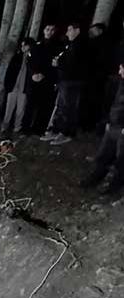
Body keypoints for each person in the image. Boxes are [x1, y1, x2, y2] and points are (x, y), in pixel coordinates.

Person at [80, 63, 124, 195]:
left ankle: (114, 188)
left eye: (122, 68)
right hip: (113, 125)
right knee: (104, 155)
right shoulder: (121, 83)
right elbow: (114, 103)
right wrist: (109, 121)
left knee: (121, 160)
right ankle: (95, 178)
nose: (120, 71)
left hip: (122, 129)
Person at [41, 23, 85, 146]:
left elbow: (74, 65)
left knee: (68, 107)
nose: (67, 33)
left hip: (72, 82)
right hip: (64, 80)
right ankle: (56, 130)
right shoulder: (69, 45)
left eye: (70, 30)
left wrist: (59, 63)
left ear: (77, 30)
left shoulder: (80, 46)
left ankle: (66, 133)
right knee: (60, 106)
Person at [26, 24, 62, 135]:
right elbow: (30, 62)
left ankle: (39, 129)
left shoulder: (58, 47)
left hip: (48, 81)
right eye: (47, 29)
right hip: (34, 79)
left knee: (44, 107)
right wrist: (34, 74)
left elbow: (55, 65)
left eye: (52, 30)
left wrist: (45, 75)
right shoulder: (36, 45)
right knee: (30, 105)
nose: (49, 32)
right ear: (43, 30)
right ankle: (26, 128)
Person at [1, 38, 33, 134]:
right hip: (13, 87)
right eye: (22, 45)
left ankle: (17, 126)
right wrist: (7, 85)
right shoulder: (16, 57)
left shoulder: (31, 58)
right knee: (8, 108)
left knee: (20, 110)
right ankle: (5, 126)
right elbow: (9, 72)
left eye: (25, 45)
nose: (23, 47)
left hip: (23, 88)